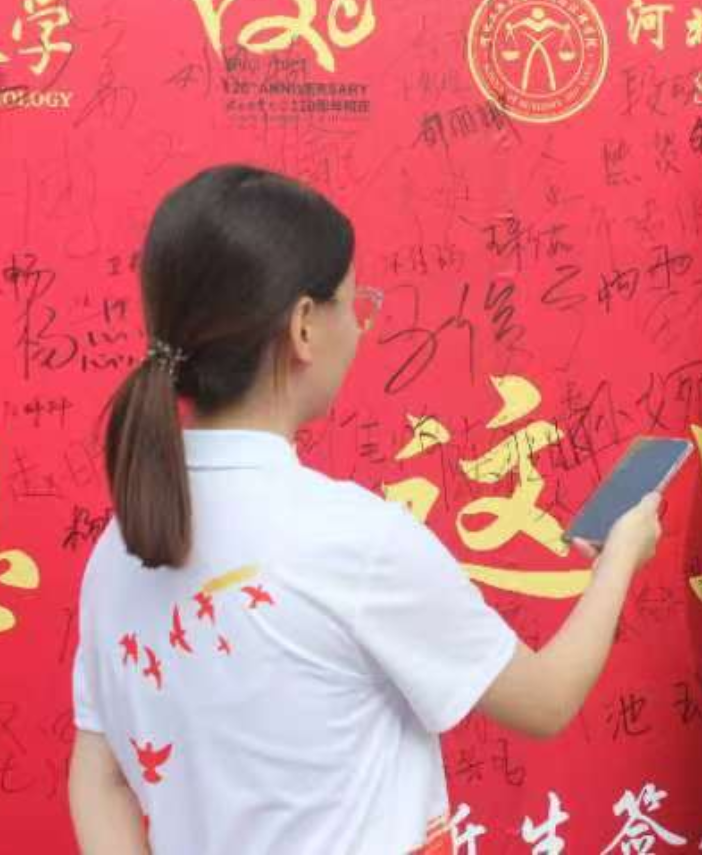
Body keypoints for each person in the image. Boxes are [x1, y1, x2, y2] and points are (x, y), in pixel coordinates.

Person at [68, 165, 663, 854]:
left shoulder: (121, 547)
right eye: (353, 303)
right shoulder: (351, 540)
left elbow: (99, 778)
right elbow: (543, 699)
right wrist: (619, 558)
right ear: (303, 327)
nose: (358, 327)